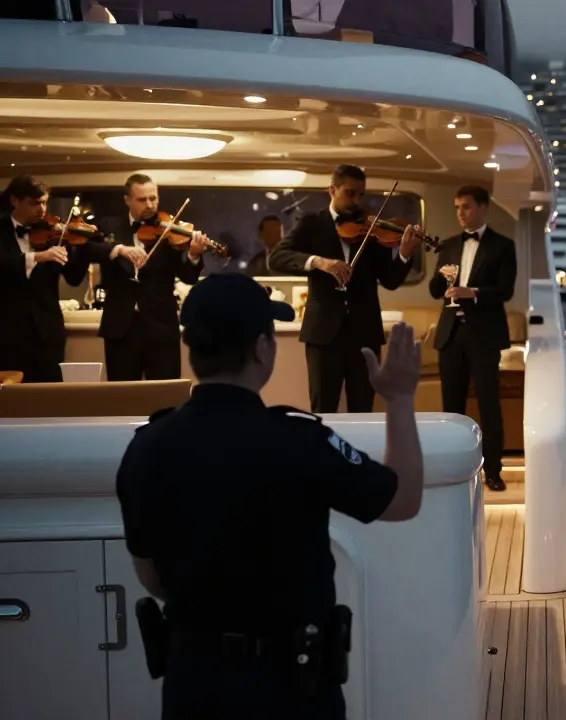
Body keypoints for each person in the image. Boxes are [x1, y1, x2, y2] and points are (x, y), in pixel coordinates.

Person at [115, 272, 426, 719]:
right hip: (290, 688)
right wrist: (398, 399)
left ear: (192, 348)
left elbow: (151, 576)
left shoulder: (147, 446)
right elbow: (402, 500)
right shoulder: (300, 441)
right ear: (262, 347)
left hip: (193, 684)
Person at [267, 165, 423, 413]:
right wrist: (319, 262)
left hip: (365, 333)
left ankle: (359, 453)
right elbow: (276, 258)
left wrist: (404, 254)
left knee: (363, 408)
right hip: (323, 334)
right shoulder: (311, 222)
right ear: (332, 190)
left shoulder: (370, 226)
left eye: (360, 195)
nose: (356, 201)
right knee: (323, 406)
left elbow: (391, 280)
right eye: (350, 193)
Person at [428, 185, 517, 492]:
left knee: (489, 404)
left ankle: (493, 470)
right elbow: (434, 291)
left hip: (483, 335)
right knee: (450, 408)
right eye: (456, 207)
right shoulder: (450, 245)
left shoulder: (503, 245)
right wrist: (443, 279)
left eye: (465, 207)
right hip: (451, 334)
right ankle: (450, 470)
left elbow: (505, 291)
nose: (460, 213)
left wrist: (473, 292)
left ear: (482, 207)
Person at [82, 173, 211, 381]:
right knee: (122, 397)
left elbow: (188, 277)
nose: (149, 205)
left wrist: (194, 254)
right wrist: (118, 249)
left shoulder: (169, 229)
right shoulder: (108, 226)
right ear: (127, 200)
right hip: (120, 330)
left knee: (164, 396)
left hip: (161, 329)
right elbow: (85, 249)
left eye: (153, 198)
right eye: (142, 200)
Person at [0, 175, 94, 382]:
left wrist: (82, 248)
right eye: (34, 203)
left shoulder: (53, 233)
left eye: (44, 202)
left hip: (47, 334)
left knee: (49, 398)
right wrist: (37, 256)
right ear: (15, 201)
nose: (42, 210)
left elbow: (74, 278)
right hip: (6, 334)